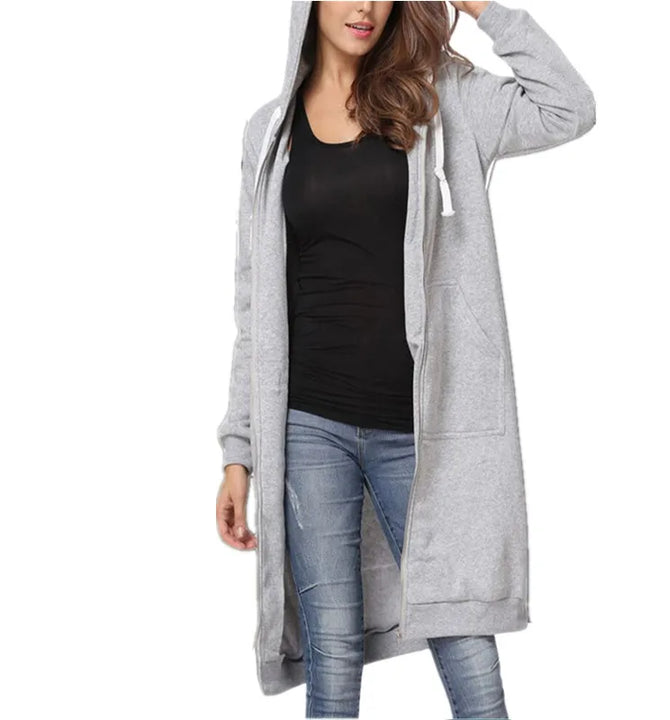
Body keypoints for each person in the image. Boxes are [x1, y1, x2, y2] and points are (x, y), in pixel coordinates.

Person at [216, 2, 596, 718]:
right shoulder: (269, 133)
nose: (364, 7)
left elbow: (568, 107)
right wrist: (240, 452)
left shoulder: (440, 99)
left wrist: (481, 6)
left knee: (467, 650)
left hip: (424, 430)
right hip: (308, 426)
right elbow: (254, 302)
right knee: (332, 659)